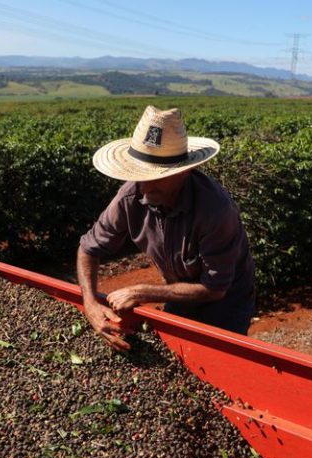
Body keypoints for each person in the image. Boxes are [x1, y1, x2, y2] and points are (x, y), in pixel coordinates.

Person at [77, 105, 255, 351]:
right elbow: (88, 248)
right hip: (179, 286)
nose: (147, 187)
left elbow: (215, 290)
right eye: (142, 176)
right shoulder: (131, 195)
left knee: (220, 359)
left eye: (157, 177)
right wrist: (90, 303)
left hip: (227, 299)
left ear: (184, 172)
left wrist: (142, 291)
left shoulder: (215, 210)